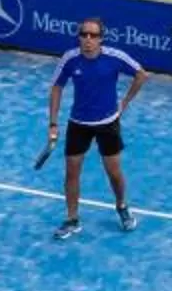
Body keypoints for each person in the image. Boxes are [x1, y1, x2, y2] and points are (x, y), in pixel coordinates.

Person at [45, 20, 147, 238]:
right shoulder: (70, 59)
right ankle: (72, 219)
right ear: (79, 37)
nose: (88, 40)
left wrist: (125, 103)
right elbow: (56, 87)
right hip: (78, 124)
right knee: (71, 172)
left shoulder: (115, 57)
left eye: (93, 35)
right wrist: (53, 124)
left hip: (108, 124)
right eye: (84, 35)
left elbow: (141, 74)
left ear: (101, 38)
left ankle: (121, 206)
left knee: (114, 173)